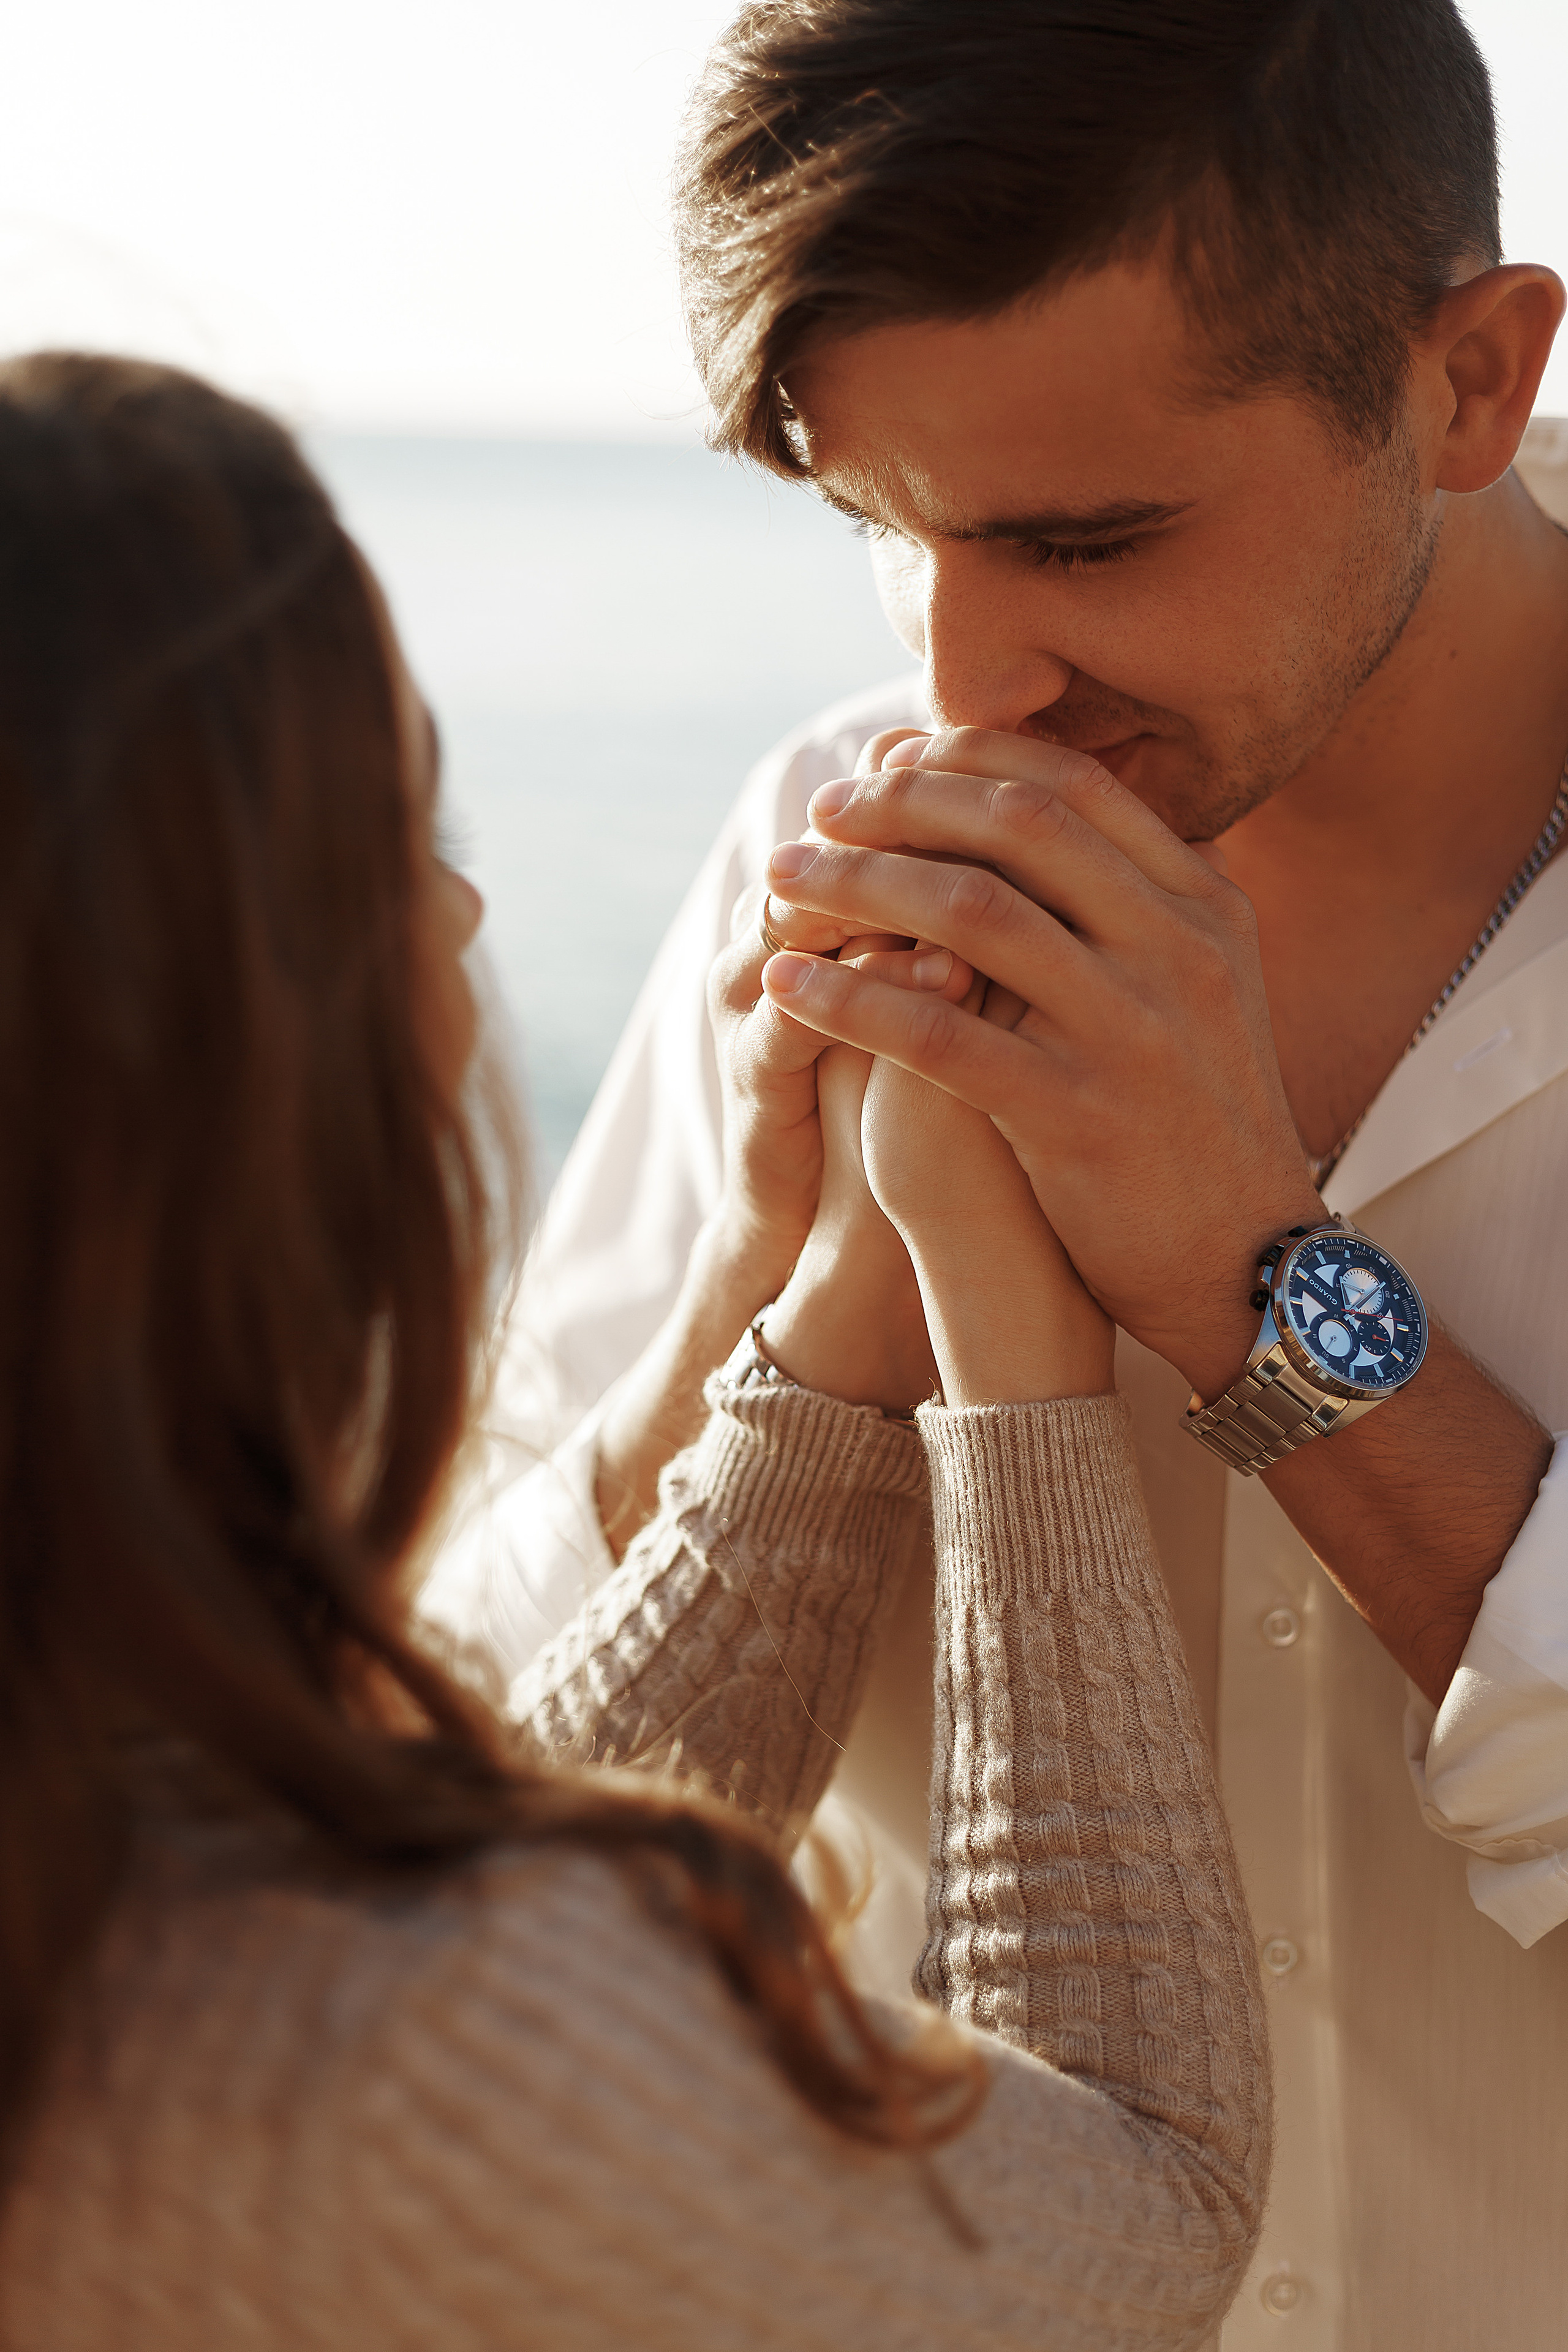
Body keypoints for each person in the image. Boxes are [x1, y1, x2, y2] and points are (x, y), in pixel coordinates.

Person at [428, 4, 1568, 2346]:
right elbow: (453, 1855)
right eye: (885, 533)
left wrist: (1269, 1296)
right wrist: (762, 1310)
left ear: (1468, 378)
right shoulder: (808, 840)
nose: (965, 681)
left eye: (1085, 538)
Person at [0, 350, 1273, 2348]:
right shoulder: (361, 2034)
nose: (468, 909)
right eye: (405, 838)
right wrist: (1012, 1363)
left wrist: (841, 1302)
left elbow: (484, 1903)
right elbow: (1134, 2193)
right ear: (206, 1065)